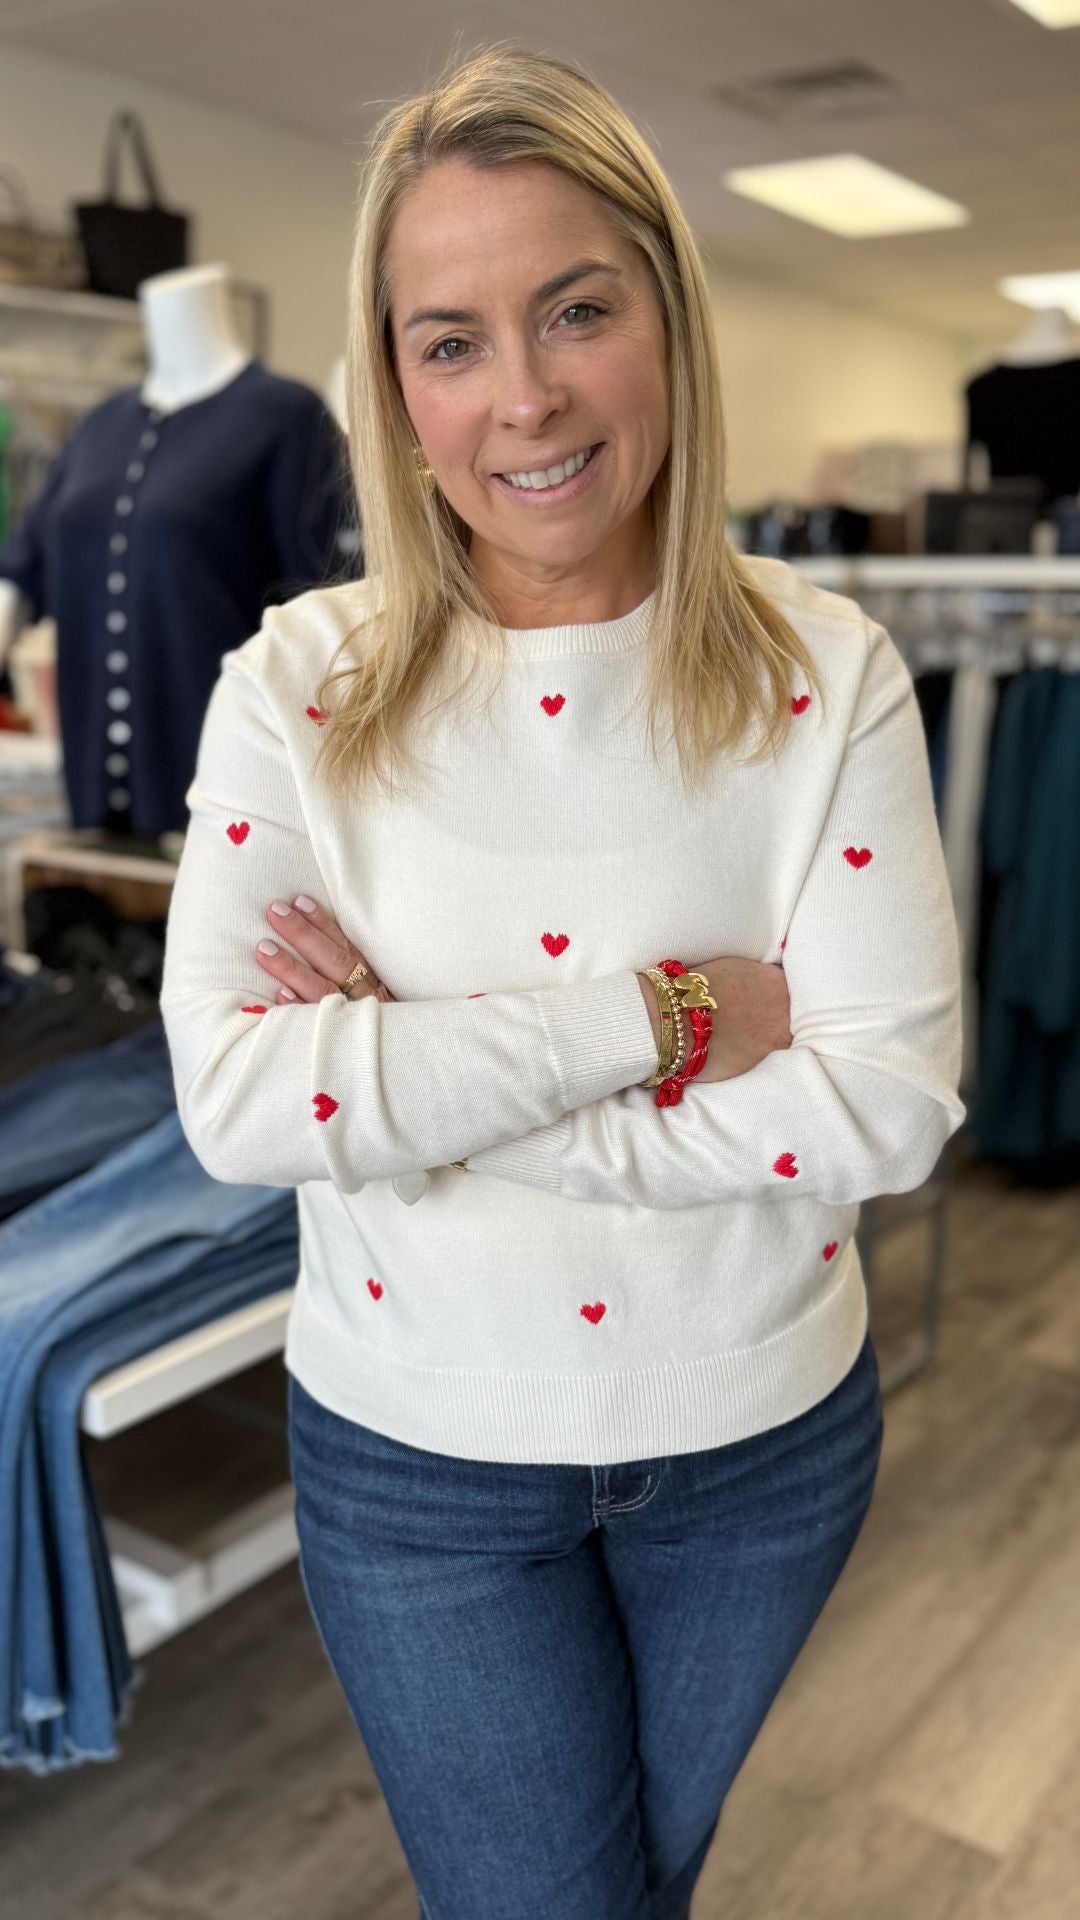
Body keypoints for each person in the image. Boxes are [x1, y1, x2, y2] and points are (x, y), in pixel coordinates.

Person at [160, 41, 965, 1920]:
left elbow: (888, 1102)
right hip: (419, 1458)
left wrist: (419, 1096)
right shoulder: (303, 686)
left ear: (667, 322)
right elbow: (243, 1106)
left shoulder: (824, 673)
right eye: (450, 341)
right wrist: (668, 1023)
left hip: (766, 1437)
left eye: (575, 310)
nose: (523, 398)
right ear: (395, 388)